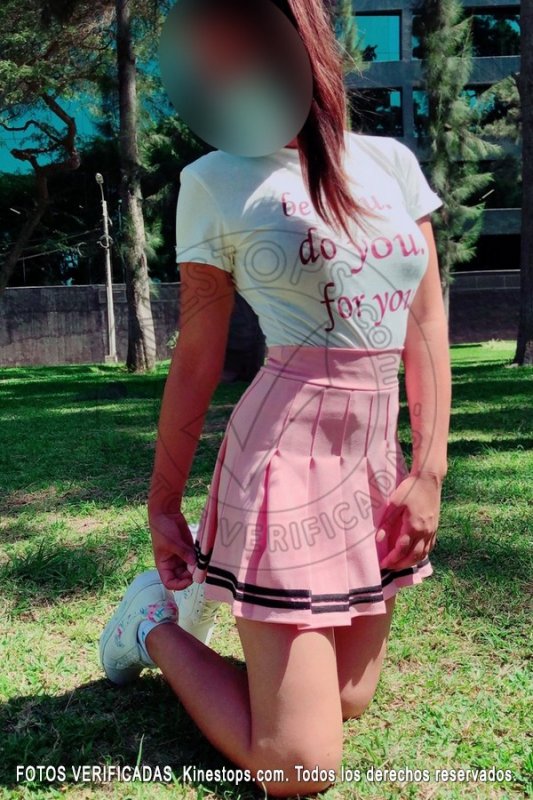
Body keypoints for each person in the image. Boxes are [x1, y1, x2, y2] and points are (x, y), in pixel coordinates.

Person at [99, 0, 451, 796]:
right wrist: (162, 504)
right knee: (301, 767)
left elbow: (425, 322)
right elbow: (197, 355)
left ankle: (251, 652)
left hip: (368, 457)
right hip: (284, 459)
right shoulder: (213, 180)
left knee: (350, 700)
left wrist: (427, 469)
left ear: (298, 40)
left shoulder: (389, 163)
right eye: (210, 62)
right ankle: (150, 626)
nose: (226, 73)